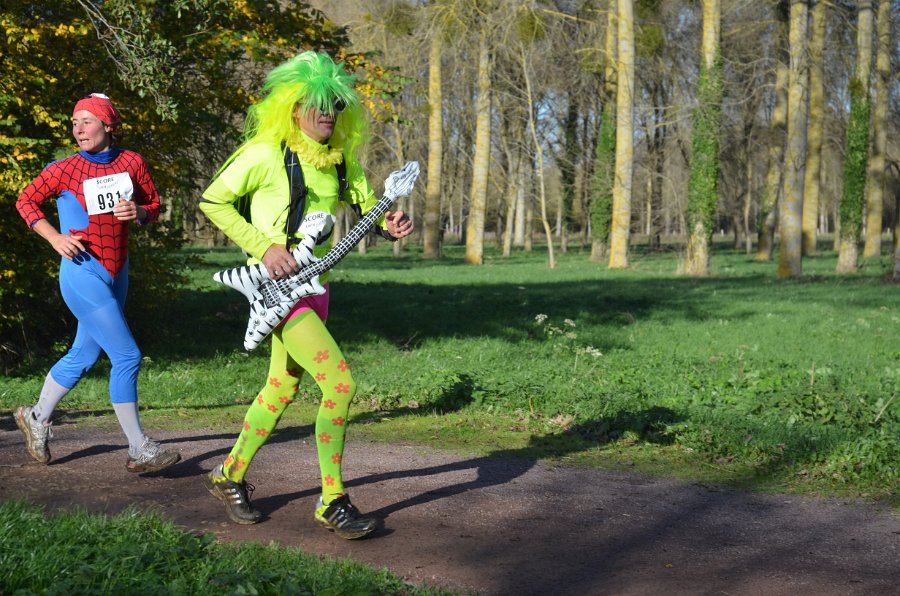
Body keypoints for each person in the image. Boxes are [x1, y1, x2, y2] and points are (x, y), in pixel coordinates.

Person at [199, 51, 413, 539]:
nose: (327, 112)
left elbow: (370, 208)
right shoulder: (264, 154)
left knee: (282, 387)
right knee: (340, 383)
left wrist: (390, 223)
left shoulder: (340, 160)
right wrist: (264, 247)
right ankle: (331, 501)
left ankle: (229, 474)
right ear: (293, 108)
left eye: (335, 104)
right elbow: (213, 200)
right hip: (276, 289)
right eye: (316, 103)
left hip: (317, 286)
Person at [13, 93, 181, 474]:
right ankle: (139, 448)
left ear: (108, 125)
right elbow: (25, 201)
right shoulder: (63, 169)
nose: (78, 129)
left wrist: (139, 211)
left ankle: (36, 417)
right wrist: (55, 238)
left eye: (86, 121)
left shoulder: (132, 162)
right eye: (74, 123)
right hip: (81, 272)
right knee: (127, 356)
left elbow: (154, 205)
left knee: (84, 355)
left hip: (117, 272)